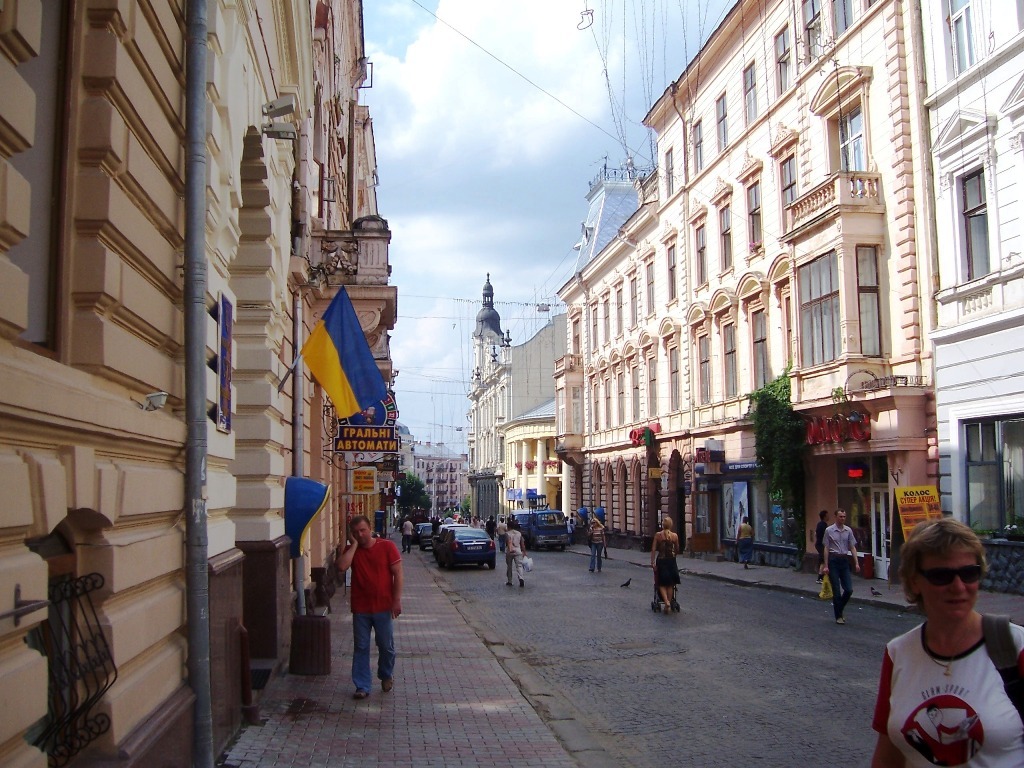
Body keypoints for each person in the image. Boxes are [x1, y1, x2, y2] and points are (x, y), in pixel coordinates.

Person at [870, 518, 1024, 767]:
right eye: (941, 576)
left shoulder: (1015, 646)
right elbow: (889, 755)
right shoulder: (898, 653)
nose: (958, 586)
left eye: (969, 573)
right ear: (914, 581)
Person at [336, 514, 403, 700]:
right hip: (361, 608)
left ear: (370, 528)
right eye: (356, 532)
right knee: (361, 647)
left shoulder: (387, 546)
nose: (360, 534)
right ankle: (362, 685)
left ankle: (386, 674)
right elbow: (341, 567)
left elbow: (398, 574)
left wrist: (396, 600)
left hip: (383, 606)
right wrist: (354, 545)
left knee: (386, 646)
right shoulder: (352, 550)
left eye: (363, 530)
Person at [822, 508, 860, 624]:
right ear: (835, 517)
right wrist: (826, 565)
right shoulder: (829, 530)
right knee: (836, 590)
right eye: (840, 516)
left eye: (844, 517)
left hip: (844, 560)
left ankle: (840, 608)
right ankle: (838, 616)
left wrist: (856, 562)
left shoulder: (848, 530)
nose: (843, 518)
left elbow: (852, 547)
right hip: (833, 560)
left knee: (849, 589)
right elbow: (826, 548)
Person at [650, 516, 681, 613]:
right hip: (671, 561)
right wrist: (674, 556)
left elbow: (653, 549)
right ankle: (669, 602)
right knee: (670, 583)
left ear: (662, 525)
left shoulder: (658, 535)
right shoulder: (675, 536)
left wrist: (652, 562)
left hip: (662, 561)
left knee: (661, 583)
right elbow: (677, 549)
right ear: (671, 525)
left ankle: (666, 602)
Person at [505, 517, 527, 587]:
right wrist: (524, 551)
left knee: (509, 566)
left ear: (508, 527)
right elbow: (522, 543)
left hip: (510, 551)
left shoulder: (507, 534)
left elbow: (508, 542)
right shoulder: (519, 533)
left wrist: (510, 549)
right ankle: (521, 578)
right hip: (518, 550)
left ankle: (510, 581)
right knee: (519, 566)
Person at [814, 509, 829, 583]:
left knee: (823, 559)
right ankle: (820, 577)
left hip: (819, 544)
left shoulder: (819, 524)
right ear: (824, 516)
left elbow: (816, 534)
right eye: (827, 515)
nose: (828, 517)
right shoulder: (823, 525)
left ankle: (822, 576)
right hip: (821, 544)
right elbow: (825, 535)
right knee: (823, 559)